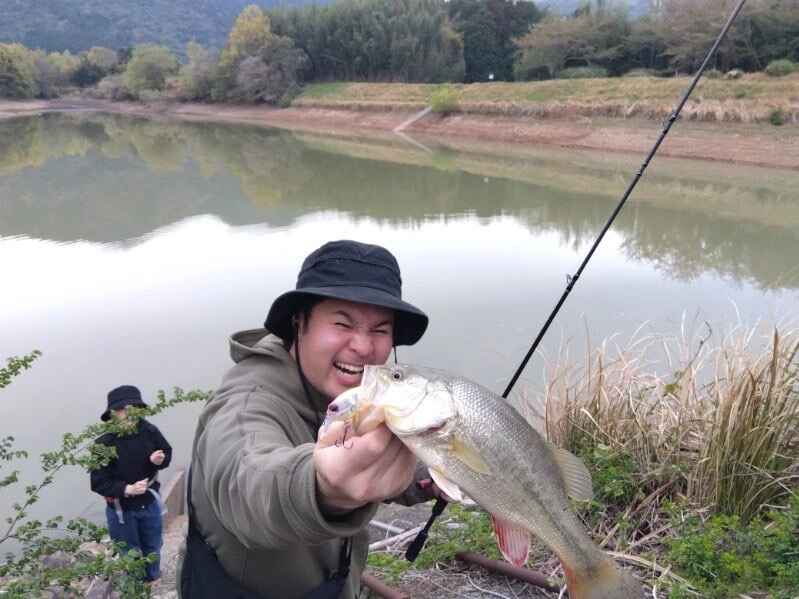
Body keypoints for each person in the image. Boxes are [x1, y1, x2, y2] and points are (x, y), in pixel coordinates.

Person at [179, 240, 434, 599]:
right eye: (342, 323)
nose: (363, 347)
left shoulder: (355, 396)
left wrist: (435, 474)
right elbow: (248, 483)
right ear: (299, 323)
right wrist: (321, 487)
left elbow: (370, 462)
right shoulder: (244, 405)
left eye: (379, 330)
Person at [90, 384, 172, 583]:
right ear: (112, 414)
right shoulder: (103, 443)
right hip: (121, 510)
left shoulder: (149, 430)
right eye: (122, 409)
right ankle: (136, 586)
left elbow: (166, 452)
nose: (128, 413)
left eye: (133, 408)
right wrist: (127, 489)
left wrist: (158, 460)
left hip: (149, 503)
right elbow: (98, 482)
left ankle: (153, 579)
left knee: (153, 545)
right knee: (129, 552)